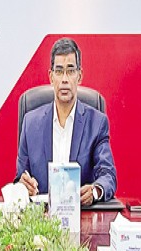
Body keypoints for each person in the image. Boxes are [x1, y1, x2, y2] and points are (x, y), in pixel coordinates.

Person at [16, 37, 117, 204]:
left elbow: (108, 175)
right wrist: (23, 186)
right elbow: (21, 177)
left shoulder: (97, 123)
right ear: (51, 77)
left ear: (79, 76)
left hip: (81, 214)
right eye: (59, 71)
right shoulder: (30, 123)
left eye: (70, 71)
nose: (64, 79)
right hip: (42, 216)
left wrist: (95, 190)